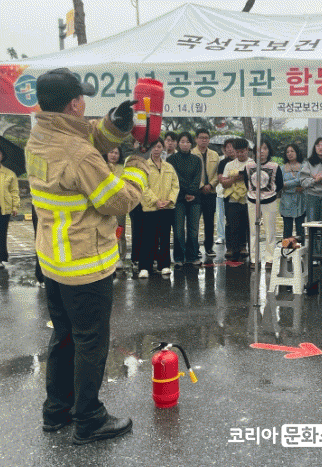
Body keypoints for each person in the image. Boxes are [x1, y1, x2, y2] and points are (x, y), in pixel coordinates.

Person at [26, 68, 148, 444]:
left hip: (54, 260)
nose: (84, 104)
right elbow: (119, 200)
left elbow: (86, 136)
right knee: (90, 344)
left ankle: (57, 410)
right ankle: (89, 419)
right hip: (84, 264)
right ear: (75, 104)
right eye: (82, 98)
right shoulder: (79, 155)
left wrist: (113, 124)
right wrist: (138, 165)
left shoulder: (40, 135)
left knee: (64, 337)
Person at [138, 138, 179, 278]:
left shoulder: (169, 167)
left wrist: (170, 200)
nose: (156, 149)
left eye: (159, 146)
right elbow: (143, 186)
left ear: (163, 148)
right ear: (150, 149)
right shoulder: (144, 166)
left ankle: (165, 265)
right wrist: (155, 201)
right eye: (154, 147)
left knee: (165, 237)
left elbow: (175, 185)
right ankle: (145, 267)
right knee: (148, 238)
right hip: (150, 208)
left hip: (167, 208)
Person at [167, 132, 203, 268]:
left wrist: (192, 192)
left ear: (191, 144)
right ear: (178, 143)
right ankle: (178, 257)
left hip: (194, 198)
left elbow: (197, 178)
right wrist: (185, 192)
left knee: (193, 229)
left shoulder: (196, 160)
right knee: (178, 229)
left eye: (187, 142)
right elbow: (175, 178)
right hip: (178, 198)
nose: (185, 144)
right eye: (182, 141)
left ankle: (192, 256)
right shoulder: (171, 160)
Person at [245, 141, 283, 268]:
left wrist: (270, 194)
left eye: (264, 148)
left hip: (269, 201)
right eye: (258, 149)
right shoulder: (248, 166)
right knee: (253, 231)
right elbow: (246, 182)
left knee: (270, 231)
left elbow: (279, 183)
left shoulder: (274, 166)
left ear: (268, 151)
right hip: (252, 201)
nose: (261, 151)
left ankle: (270, 259)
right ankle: (254, 258)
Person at [300, 137, 322, 263]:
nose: (320, 148)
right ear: (314, 147)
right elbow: (303, 182)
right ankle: (313, 255)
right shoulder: (308, 163)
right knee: (312, 225)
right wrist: (314, 180)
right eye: (318, 145)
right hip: (312, 196)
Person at [191, 128, 219, 258]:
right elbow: (191, 174)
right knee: (194, 222)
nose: (204, 140)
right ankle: (194, 248)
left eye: (206, 138)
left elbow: (218, 173)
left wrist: (211, 185)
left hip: (211, 193)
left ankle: (209, 247)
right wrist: (202, 185)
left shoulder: (214, 155)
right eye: (201, 137)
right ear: (196, 139)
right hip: (196, 193)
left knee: (209, 222)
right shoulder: (191, 153)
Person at [221, 138, 251, 262]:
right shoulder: (229, 165)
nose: (240, 154)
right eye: (237, 152)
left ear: (247, 150)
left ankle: (244, 246)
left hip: (248, 199)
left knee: (246, 224)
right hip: (232, 199)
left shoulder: (253, 164)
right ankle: (231, 248)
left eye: (242, 151)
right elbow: (223, 183)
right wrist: (234, 179)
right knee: (232, 224)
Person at [104, 147, 126, 269]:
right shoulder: (101, 166)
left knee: (119, 232)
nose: (113, 155)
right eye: (111, 152)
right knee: (105, 232)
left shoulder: (123, 168)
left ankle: (120, 257)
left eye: (116, 153)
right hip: (104, 204)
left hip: (119, 205)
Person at [280, 143, 306, 244]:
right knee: (287, 230)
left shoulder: (303, 166)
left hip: (300, 201)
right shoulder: (282, 168)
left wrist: (286, 185)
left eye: (292, 151)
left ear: (297, 152)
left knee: (300, 230)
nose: (290, 154)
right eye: (287, 152)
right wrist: (295, 188)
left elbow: (301, 180)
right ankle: (286, 251)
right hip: (286, 202)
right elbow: (280, 184)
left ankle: (301, 250)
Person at [0, 147, 19, 269]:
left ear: (2, 156)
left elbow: (14, 191)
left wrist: (15, 206)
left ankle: (1, 258)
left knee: (2, 234)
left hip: (4, 208)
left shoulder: (10, 173)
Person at [216, 138, 235, 245]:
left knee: (232, 216)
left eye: (232, 146)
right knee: (220, 215)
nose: (230, 149)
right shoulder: (221, 161)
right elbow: (220, 178)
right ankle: (221, 236)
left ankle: (233, 237)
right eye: (228, 147)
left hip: (236, 194)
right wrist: (233, 179)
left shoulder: (240, 161)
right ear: (224, 149)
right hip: (221, 192)